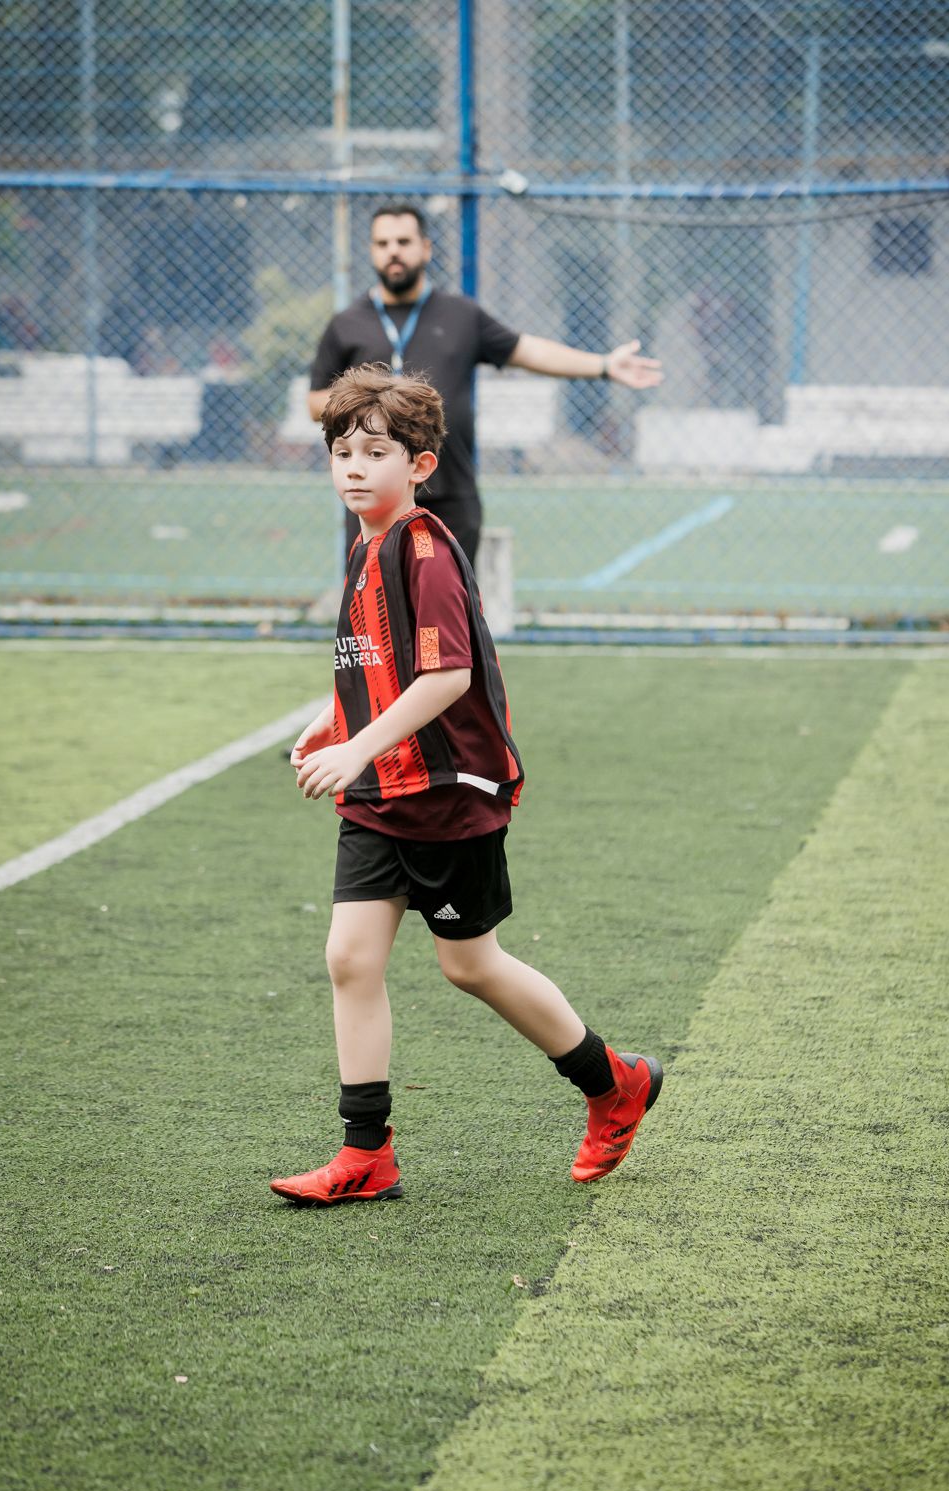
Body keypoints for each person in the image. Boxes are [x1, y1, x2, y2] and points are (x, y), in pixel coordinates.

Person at [269, 364, 662, 1206]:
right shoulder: (364, 544)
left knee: (470, 965)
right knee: (349, 958)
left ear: (419, 465)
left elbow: (445, 678)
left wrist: (357, 746)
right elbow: (379, 665)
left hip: (450, 791)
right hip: (381, 790)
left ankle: (614, 1082)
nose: (355, 468)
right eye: (342, 452)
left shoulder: (425, 552)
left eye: (376, 452)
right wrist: (331, 723)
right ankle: (366, 1153)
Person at [308, 202, 663, 565]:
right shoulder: (346, 324)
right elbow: (316, 403)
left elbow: (528, 351)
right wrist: (375, 400)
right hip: (377, 498)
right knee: (375, 599)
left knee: (449, 600)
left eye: (403, 241)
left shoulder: (462, 315)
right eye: (383, 244)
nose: (393, 251)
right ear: (371, 251)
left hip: (451, 494)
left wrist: (603, 365)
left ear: (426, 248)